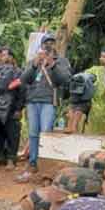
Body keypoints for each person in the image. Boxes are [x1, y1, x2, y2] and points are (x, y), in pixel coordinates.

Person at [20, 33, 72, 172]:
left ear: (55, 45)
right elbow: (24, 79)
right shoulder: (33, 60)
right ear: (41, 45)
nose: (48, 45)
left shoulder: (62, 61)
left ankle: (45, 164)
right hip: (32, 100)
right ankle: (33, 163)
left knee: (46, 132)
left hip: (49, 100)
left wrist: (53, 65)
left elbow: (65, 79)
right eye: (45, 43)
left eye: (51, 42)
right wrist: (34, 65)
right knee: (33, 133)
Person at [0, 46, 26, 169]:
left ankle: (11, 159)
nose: (3, 58)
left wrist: (19, 108)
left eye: (5, 55)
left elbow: (23, 91)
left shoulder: (18, 72)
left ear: (11, 57)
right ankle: (0, 158)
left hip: (12, 107)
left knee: (12, 134)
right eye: (1, 55)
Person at [80, 48, 105, 135]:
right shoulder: (96, 69)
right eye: (101, 56)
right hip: (95, 107)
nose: (101, 58)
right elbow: (84, 76)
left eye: (104, 57)